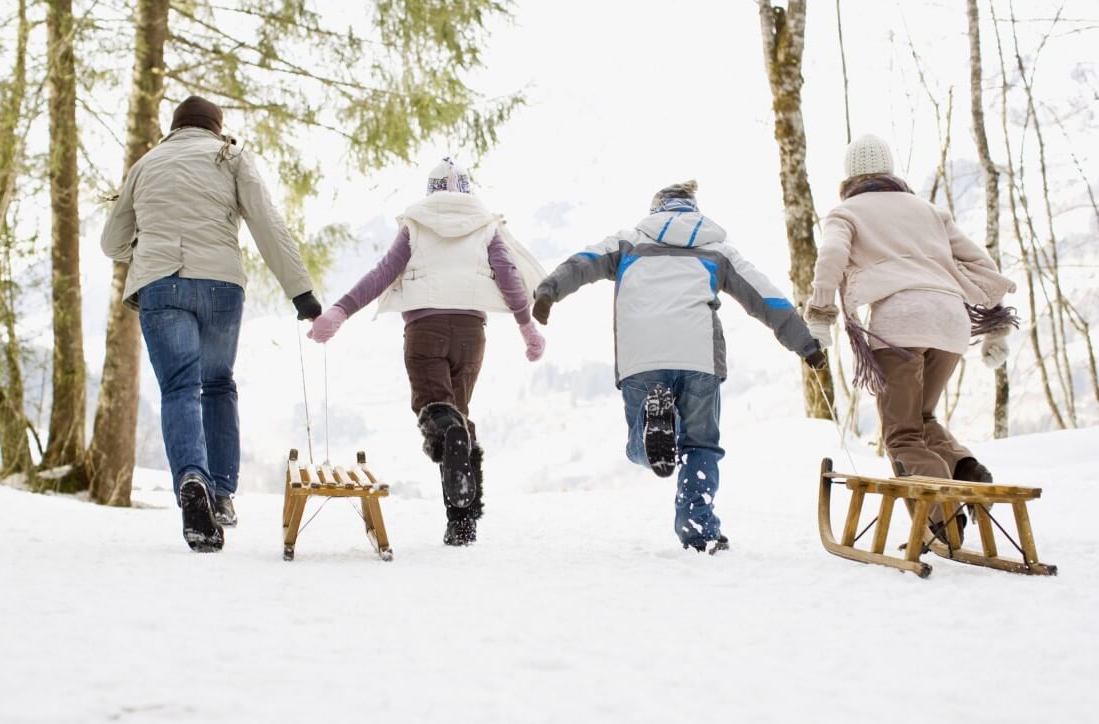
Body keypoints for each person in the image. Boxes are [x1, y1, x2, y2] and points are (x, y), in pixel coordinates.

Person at [533, 181, 824, 555]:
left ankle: (650, 432)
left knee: (642, 450)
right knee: (701, 445)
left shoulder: (627, 243)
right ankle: (698, 527)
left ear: (656, 211)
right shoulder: (717, 250)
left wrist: (548, 291)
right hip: (698, 357)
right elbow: (765, 296)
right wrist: (806, 345)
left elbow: (582, 263)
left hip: (643, 360)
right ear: (694, 210)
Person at [101, 95, 321, 553]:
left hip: (161, 285)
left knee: (180, 388)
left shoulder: (146, 163)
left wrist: (146, 253)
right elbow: (267, 223)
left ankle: (192, 481)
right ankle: (220, 493)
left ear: (175, 128)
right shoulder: (231, 156)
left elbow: (111, 241)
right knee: (218, 384)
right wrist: (301, 292)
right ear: (216, 128)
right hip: (221, 285)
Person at [307, 158, 545, 546]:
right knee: (460, 417)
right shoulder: (486, 227)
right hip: (471, 333)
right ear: (467, 190)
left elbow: (383, 273)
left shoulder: (415, 225)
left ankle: (448, 437)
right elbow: (509, 276)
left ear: (430, 189)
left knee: (436, 411)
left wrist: (340, 311)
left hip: (424, 330)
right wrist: (526, 326)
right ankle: (462, 523)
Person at [804, 133, 1016, 531]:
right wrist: (996, 326)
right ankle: (965, 467)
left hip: (900, 325)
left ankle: (941, 520)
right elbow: (982, 263)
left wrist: (820, 313)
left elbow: (831, 256)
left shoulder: (846, 213)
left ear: (850, 175)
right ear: (891, 171)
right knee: (920, 416)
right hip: (951, 321)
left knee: (901, 435)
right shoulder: (930, 211)